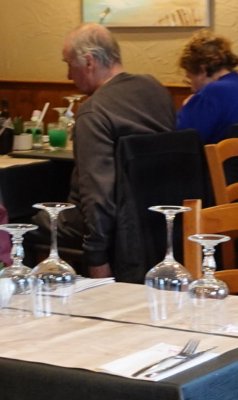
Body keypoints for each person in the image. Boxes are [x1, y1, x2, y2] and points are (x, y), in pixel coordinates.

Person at [61, 23, 174, 278]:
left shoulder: (94, 111)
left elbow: (97, 195)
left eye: (69, 64)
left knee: (32, 222)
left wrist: (96, 256)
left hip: (119, 229)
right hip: (160, 222)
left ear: (89, 61)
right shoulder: (155, 89)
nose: (68, 75)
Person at [175, 30, 238, 144]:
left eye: (191, 79)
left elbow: (182, 141)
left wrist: (188, 106)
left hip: (226, 155)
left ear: (203, 70)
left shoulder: (212, 91)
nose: (192, 89)